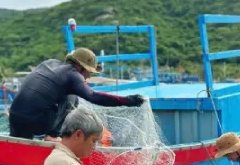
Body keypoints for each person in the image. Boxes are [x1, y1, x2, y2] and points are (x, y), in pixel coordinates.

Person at [9, 48, 145, 141]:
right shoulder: (72, 74)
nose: (89, 77)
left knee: (64, 93)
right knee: (72, 97)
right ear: (80, 67)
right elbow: (93, 96)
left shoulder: (49, 63)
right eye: (89, 72)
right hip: (36, 122)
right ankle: (53, 136)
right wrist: (126, 101)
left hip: (15, 117)